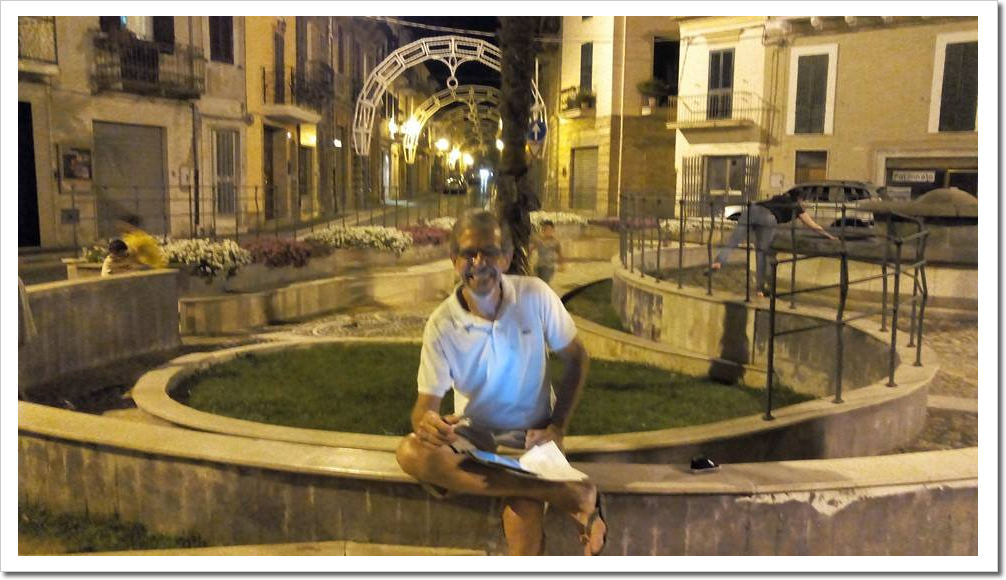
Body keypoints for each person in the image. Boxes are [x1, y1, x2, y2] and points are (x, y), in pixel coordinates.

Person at [395, 210, 607, 556]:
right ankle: (565, 493)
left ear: (507, 258)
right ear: (454, 260)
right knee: (410, 451)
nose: (479, 263)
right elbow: (424, 408)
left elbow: (577, 359)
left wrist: (557, 427)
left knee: (522, 513)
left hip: (532, 437)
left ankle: (534, 488)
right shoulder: (442, 324)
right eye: (469, 253)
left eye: (490, 252)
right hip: (474, 436)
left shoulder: (535, 296)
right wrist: (428, 424)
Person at [709, 190, 836, 297]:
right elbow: (813, 225)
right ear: (799, 199)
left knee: (734, 239)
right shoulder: (796, 207)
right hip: (768, 218)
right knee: (761, 252)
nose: (805, 204)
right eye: (804, 201)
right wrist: (829, 236)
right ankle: (760, 289)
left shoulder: (777, 198)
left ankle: (718, 261)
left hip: (751, 210)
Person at [531, 220, 564, 285]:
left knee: (544, 284)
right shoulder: (539, 241)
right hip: (539, 265)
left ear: (553, 230)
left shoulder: (555, 242)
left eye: (549, 229)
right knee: (536, 284)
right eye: (545, 229)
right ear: (542, 230)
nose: (547, 231)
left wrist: (561, 265)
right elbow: (531, 249)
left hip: (548, 267)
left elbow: (559, 254)